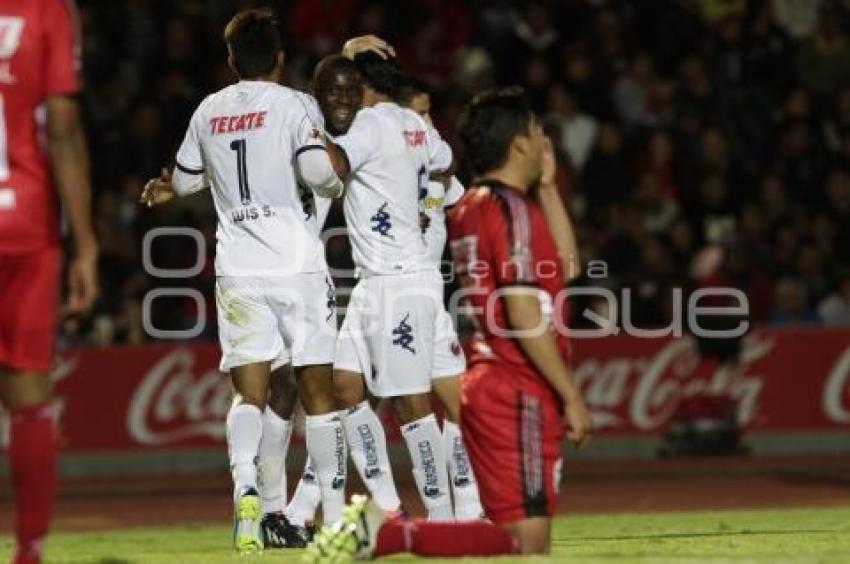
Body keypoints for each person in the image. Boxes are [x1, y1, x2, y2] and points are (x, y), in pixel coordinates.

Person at [306, 87, 591, 562]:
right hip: (520, 389)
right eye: (539, 133)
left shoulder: (476, 208)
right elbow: (524, 314)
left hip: (497, 382)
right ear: (518, 143)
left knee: (520, 539)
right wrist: (571, 394)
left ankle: (388, 534)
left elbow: (566, 269)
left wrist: (546, 187)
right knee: (528, 542)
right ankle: (385, 534)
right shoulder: (511, 213)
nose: (547, 143)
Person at [140, 9, 352, 554]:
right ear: (280, 59)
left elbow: (185, 180)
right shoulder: (294, 105)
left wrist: (167, 189)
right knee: (316, 390)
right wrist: (338, 172)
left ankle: (246, 498)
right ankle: (332, 521)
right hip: (295, 262)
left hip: (237, 267)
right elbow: (317, 174)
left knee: (250, 392)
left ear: (232, 61)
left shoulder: (209, 109)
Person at [0, 2, 99, 563]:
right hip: (24, 223)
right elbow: (62, 131)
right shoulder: (47, 9)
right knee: (28, 390)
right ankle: (30, 551)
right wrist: (85, 246)